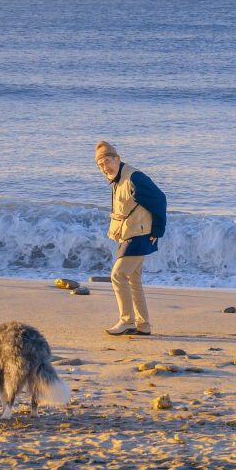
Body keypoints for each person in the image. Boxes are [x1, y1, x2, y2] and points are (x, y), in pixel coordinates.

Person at [95, 141, 167, 336]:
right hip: (129, 234)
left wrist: (158, 231)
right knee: (134, 280)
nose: (104, 167)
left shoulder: (134, 177)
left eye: (107, 162)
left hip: (140, 235)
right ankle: (143, 326)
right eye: (100, 165)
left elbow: (160, 199)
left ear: (117, 159)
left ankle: (127, 321)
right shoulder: (117, 178)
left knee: (117, 276)